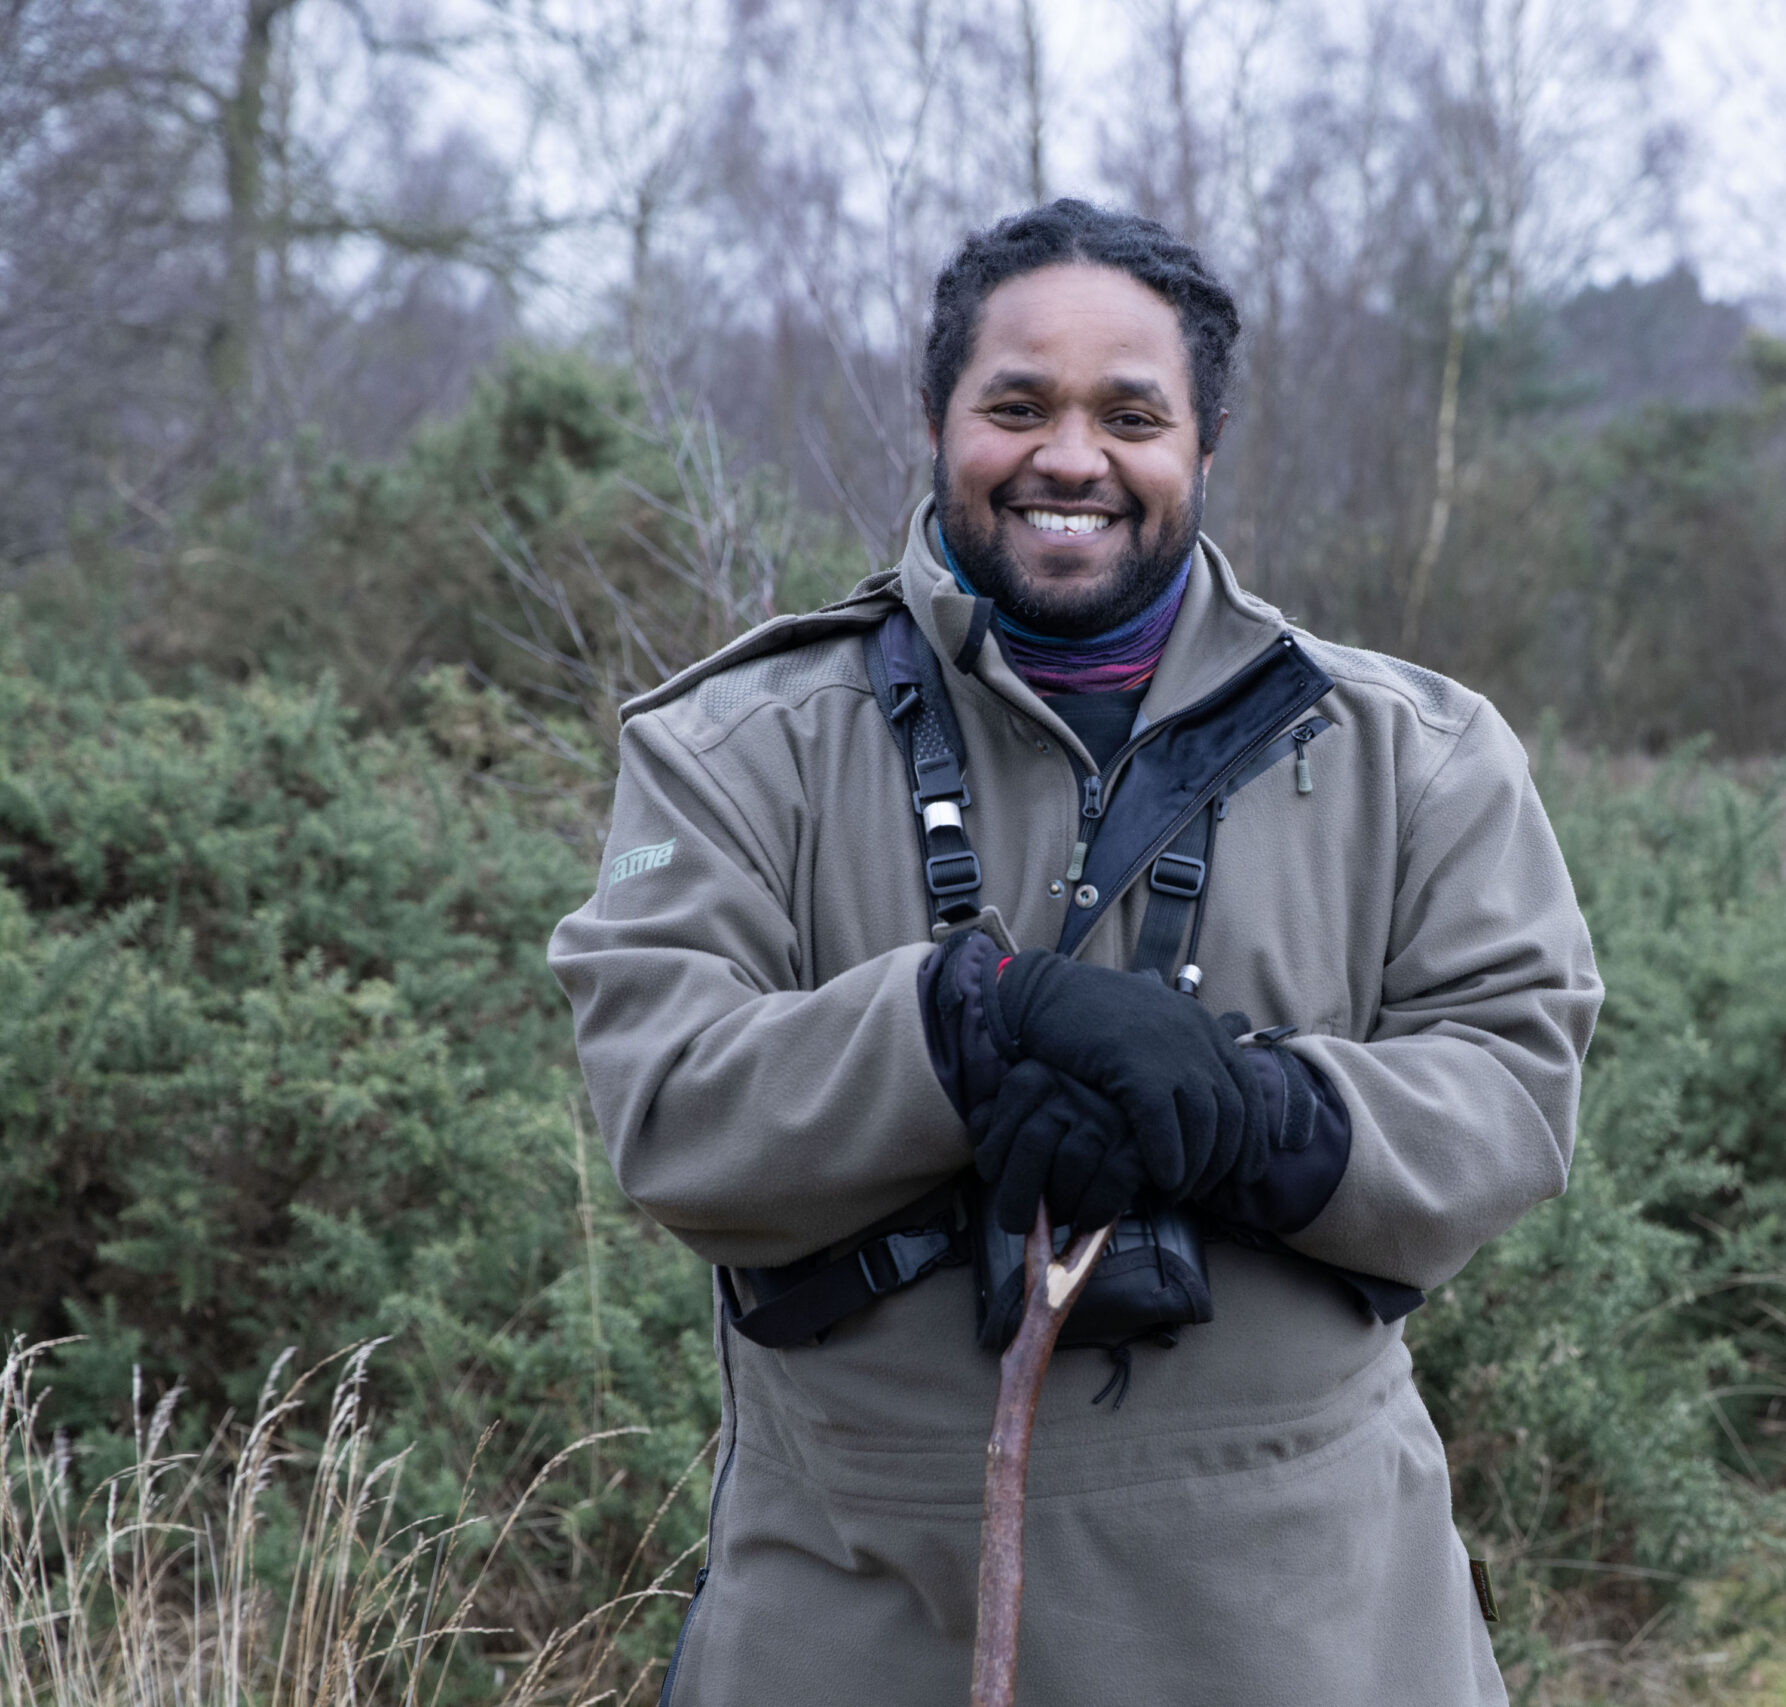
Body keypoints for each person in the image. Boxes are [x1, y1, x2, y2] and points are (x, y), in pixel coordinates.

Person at [549, 198, 1601, 1706]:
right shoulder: (735, 747)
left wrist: (1258, 1113)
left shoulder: (1417, 754)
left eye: (1132, 414)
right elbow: (667, 1106)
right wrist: (963, 1024)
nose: (1070, 459)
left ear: (1205, 445)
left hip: (1314, 1622)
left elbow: (1515, 1087)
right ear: (936, 419)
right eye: (1018, 405)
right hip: (854, 1609)